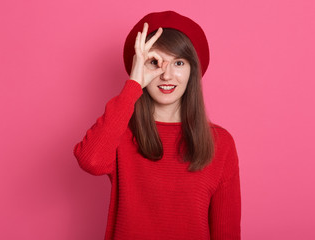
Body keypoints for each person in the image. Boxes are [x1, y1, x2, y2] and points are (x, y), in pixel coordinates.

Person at [74, 10, 241, 240]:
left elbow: (227, 233)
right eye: (155, 62)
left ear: (193, 70)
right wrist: (134, 84)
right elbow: (90, 160)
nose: (167, 75)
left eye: (179, 62)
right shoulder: (120, 132)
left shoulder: (221, 143)